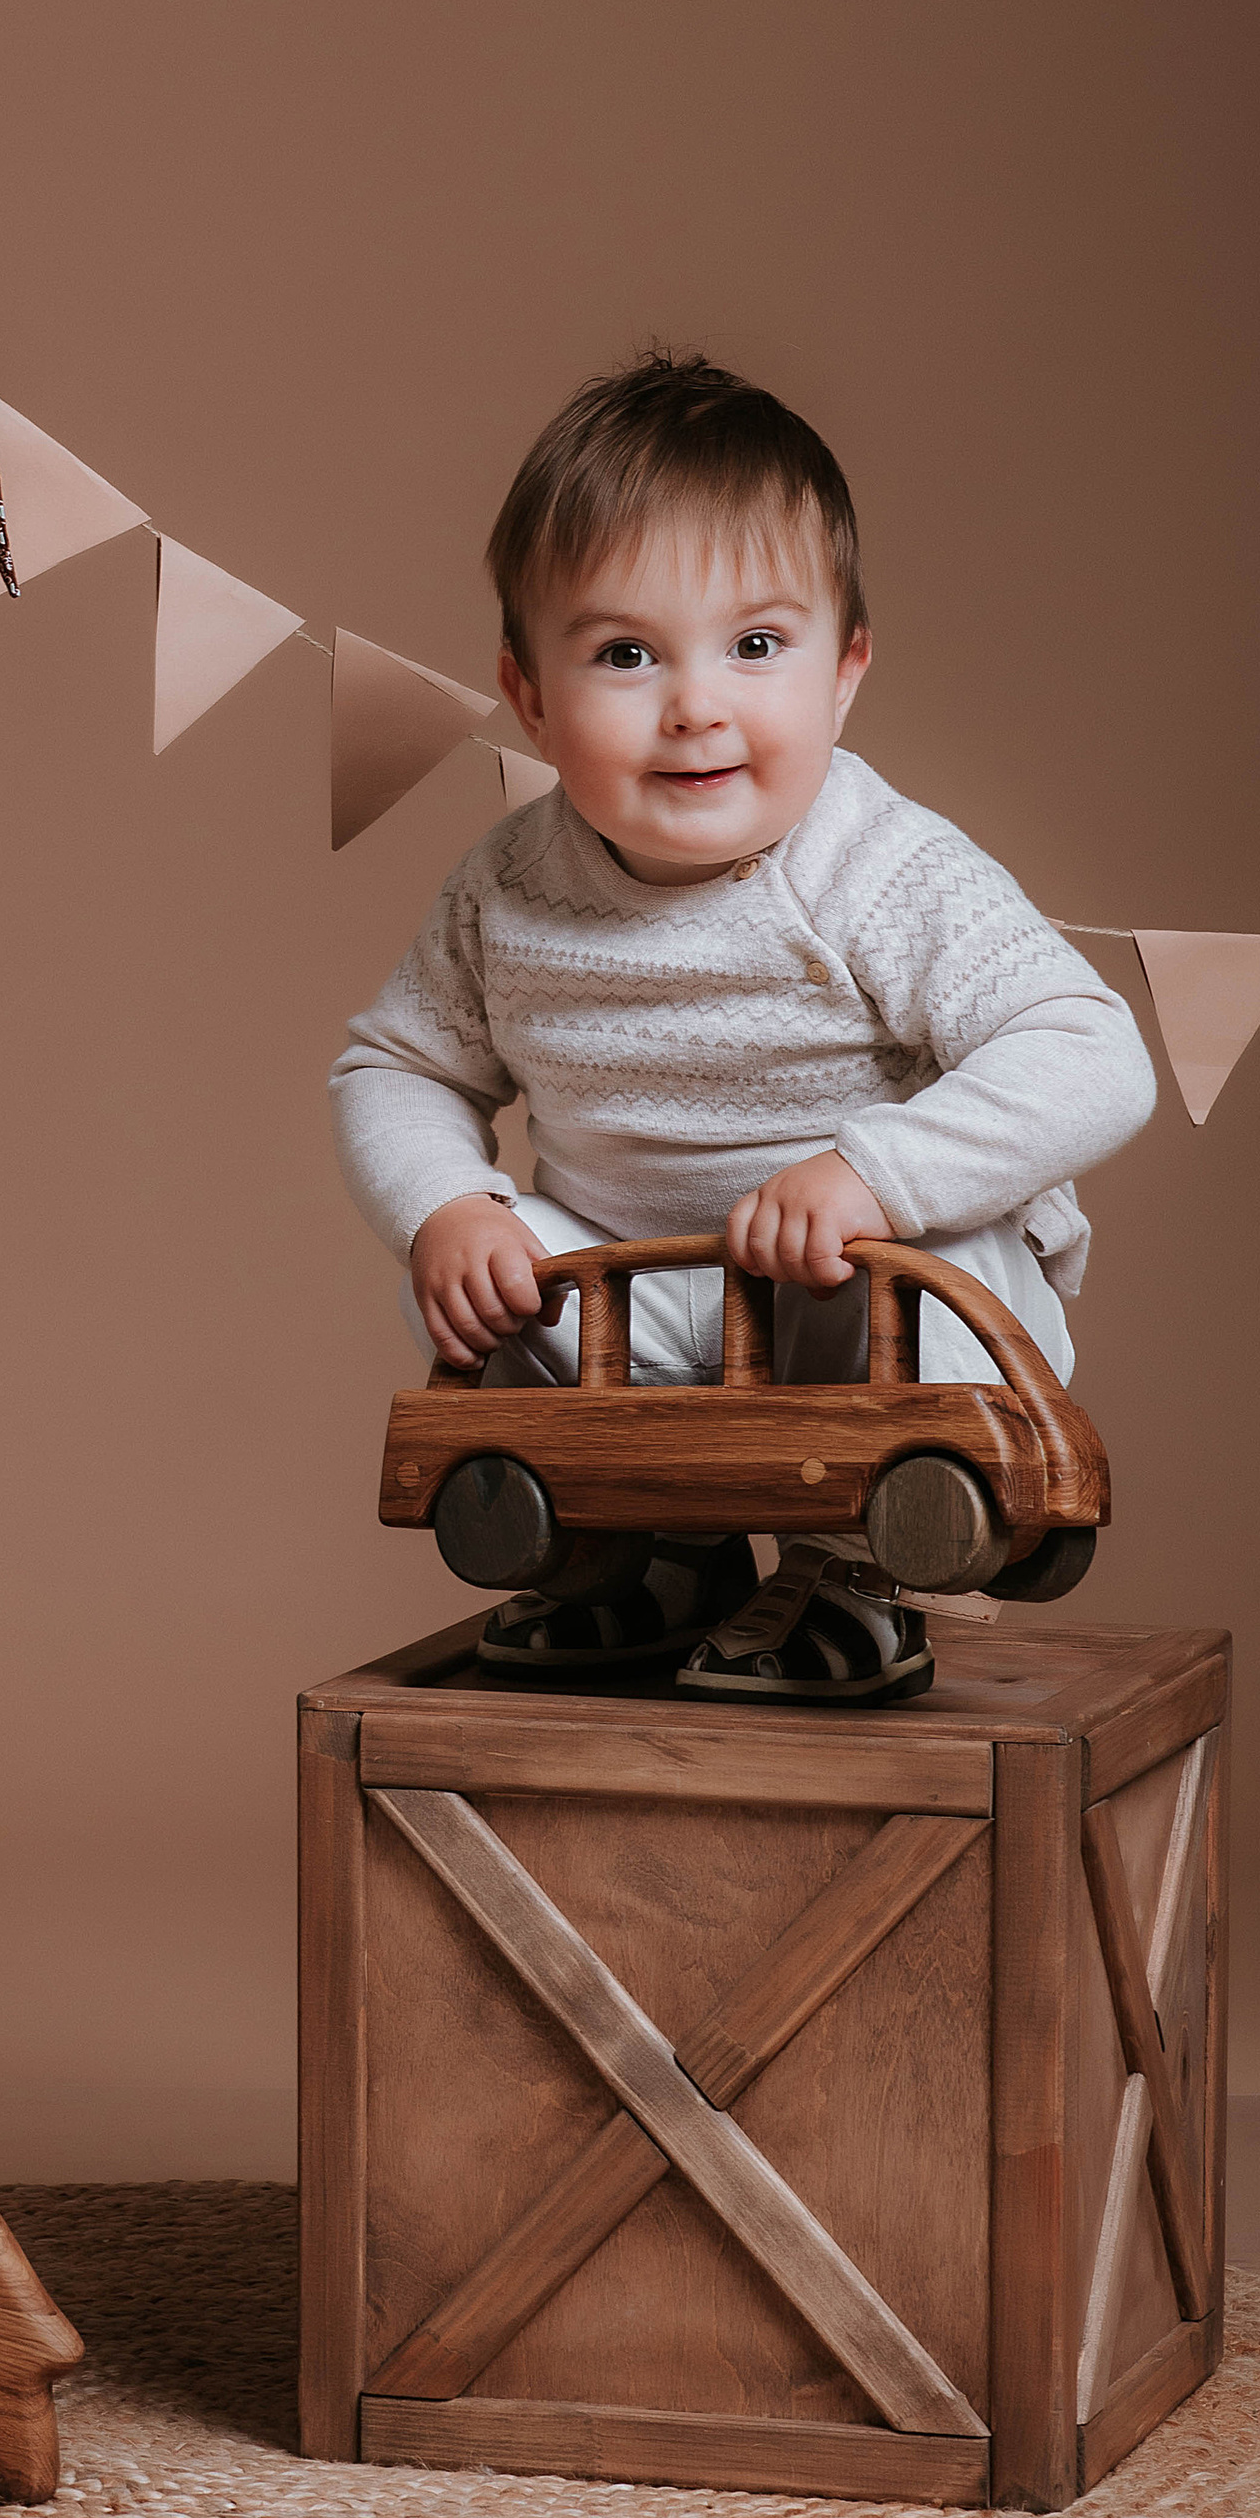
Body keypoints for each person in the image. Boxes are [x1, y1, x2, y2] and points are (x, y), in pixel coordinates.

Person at [329, 350, 1155, 1703]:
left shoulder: (881, 868)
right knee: (508, 1272)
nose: (696, 704)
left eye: (756, 646)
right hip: (645, 1307)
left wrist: (872, 1173)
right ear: (529, 695)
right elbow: (394, 1065)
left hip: (860, 1300)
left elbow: (1093, 1052)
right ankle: (654, 1551)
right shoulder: (509, 886)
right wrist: (446, 1205)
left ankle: (860, 1569)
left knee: (952, 1256)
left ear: (845, 672)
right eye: (623, 653)